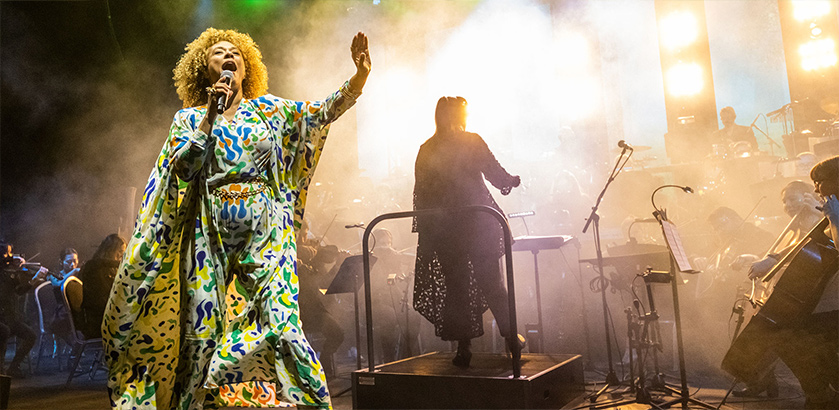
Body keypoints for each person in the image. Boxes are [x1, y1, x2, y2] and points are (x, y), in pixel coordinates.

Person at [103, 28, 370, 409]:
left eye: (236, 54)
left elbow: (320, 114)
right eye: (218, 53)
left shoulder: (269, 111)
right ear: (204, 69)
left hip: (266, 234)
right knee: (202, 335)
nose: (229, 56)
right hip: (208, 238)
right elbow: (183, 168)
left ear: (247, 69)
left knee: (282, 324)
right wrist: (209, 117)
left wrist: (358, 79)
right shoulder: (189, 119)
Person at [412, 96, 523, 368]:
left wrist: (427, 230)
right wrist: (512, 181)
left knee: (456, 288)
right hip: (478, 224)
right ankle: (511, 339)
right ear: (459, 116)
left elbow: (421, 193)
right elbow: (495, 173)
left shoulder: (427, 148)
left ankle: (464, 348)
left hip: (446, 231)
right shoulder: (471, 141)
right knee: (493, 285)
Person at [724, 157, 839, 409]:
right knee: (791, 341)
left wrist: (834, 219)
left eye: (820, 182)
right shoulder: (828, 212)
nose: (817, 189)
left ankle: (822, 396)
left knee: (793, 341)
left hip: (833, 305)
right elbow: (803, 248)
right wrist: (770, 258)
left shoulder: (831, 213)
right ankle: (821, 395)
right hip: (821, 302)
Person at [0, 241, 48, 378]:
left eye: (11, 252)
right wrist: (11, 260)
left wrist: (33, 280)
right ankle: (1, 370)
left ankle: (13, 367)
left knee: (30, 335)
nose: (9, 256)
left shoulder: (9, 273)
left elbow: (19, 291)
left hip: (9, 318)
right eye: (6, 253)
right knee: (4, 331)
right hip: (2, 319)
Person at [77, 235, 125, 339]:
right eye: (119, 251)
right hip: (98, 323)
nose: (121, 255)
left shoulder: (107, 268)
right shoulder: (93, 267)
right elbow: (104, 300)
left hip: (108, 317)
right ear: (110, 250)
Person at [47, 247, 80, 345]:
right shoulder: (53, 274)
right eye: (69, 262)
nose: (72, 265)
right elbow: (58, 284)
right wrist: (73, 273)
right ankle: (75, 346)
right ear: (61, 262)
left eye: (75, 261)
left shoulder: (79, 274)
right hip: (60, 310)